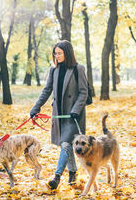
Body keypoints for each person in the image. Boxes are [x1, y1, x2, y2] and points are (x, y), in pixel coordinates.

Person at [30, 40, 88, 190]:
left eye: (60, 53)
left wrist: (76, 109)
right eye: (55, 53)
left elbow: (84, 92)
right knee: (65, 145)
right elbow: (47, 90)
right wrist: (36, 108)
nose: (57, 56)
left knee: (67, 144)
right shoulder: (53, 70)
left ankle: (57, 177)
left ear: (67, 53)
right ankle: (73, 172)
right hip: (59, 114)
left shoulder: (78, 69)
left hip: (74, 114)